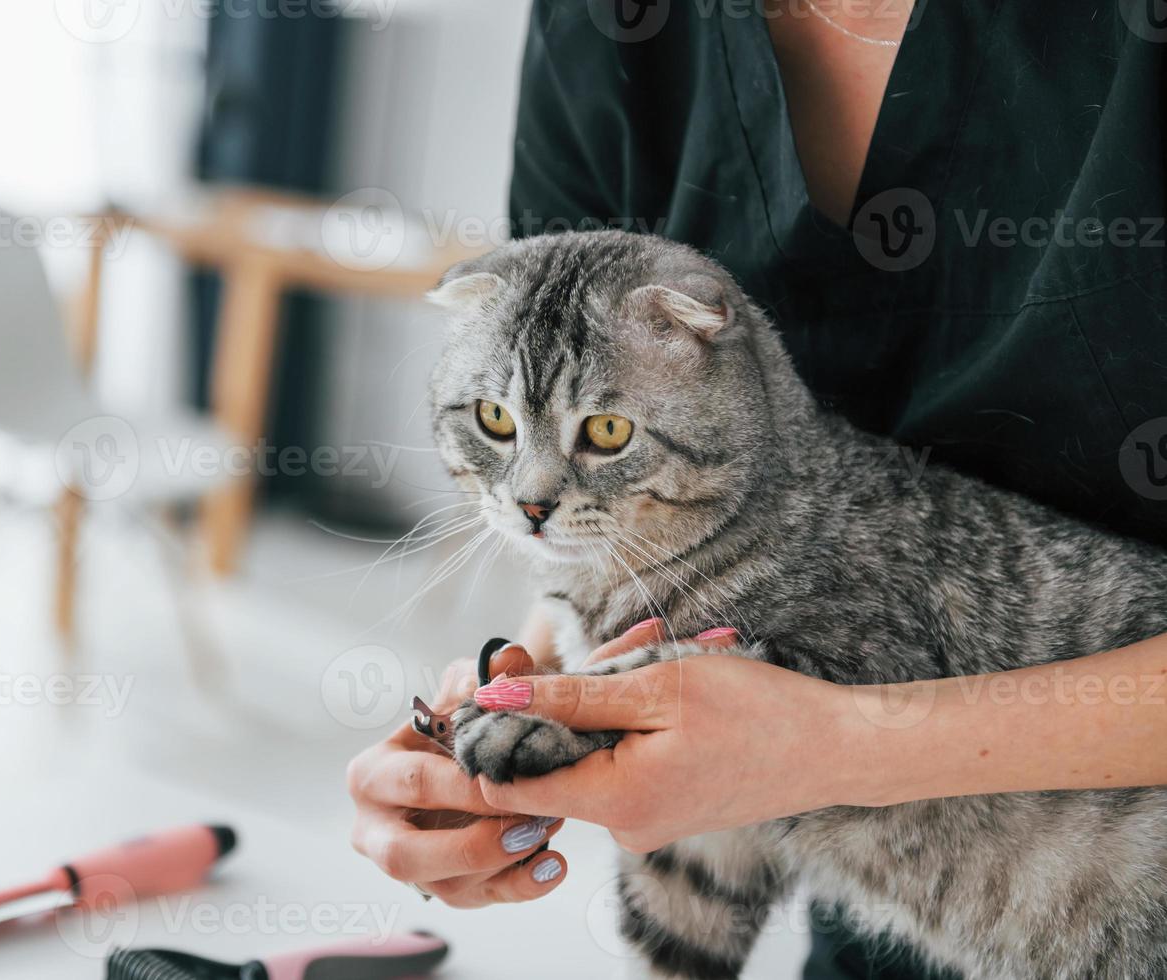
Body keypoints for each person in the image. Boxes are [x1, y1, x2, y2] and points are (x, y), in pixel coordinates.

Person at [347, 1, 1167, 975]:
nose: (524, 491)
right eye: (492, 430)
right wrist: (525, 697)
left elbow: (764, 706)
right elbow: (704, 792)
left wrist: (830, 742)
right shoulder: (604, 30)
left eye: (603, 430)